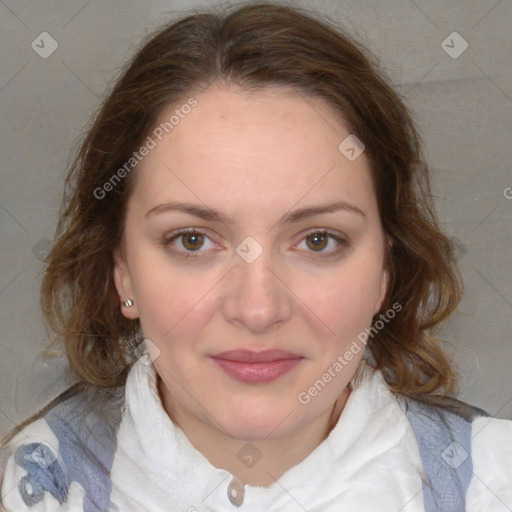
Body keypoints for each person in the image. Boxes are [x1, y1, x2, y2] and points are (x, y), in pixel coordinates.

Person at [1, 2, 511, 511]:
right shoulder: (35, 485)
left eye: (318, 240)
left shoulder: (495, 481)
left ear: (385, 271)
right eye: (193, 240)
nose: (257, 309)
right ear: (123, 271)